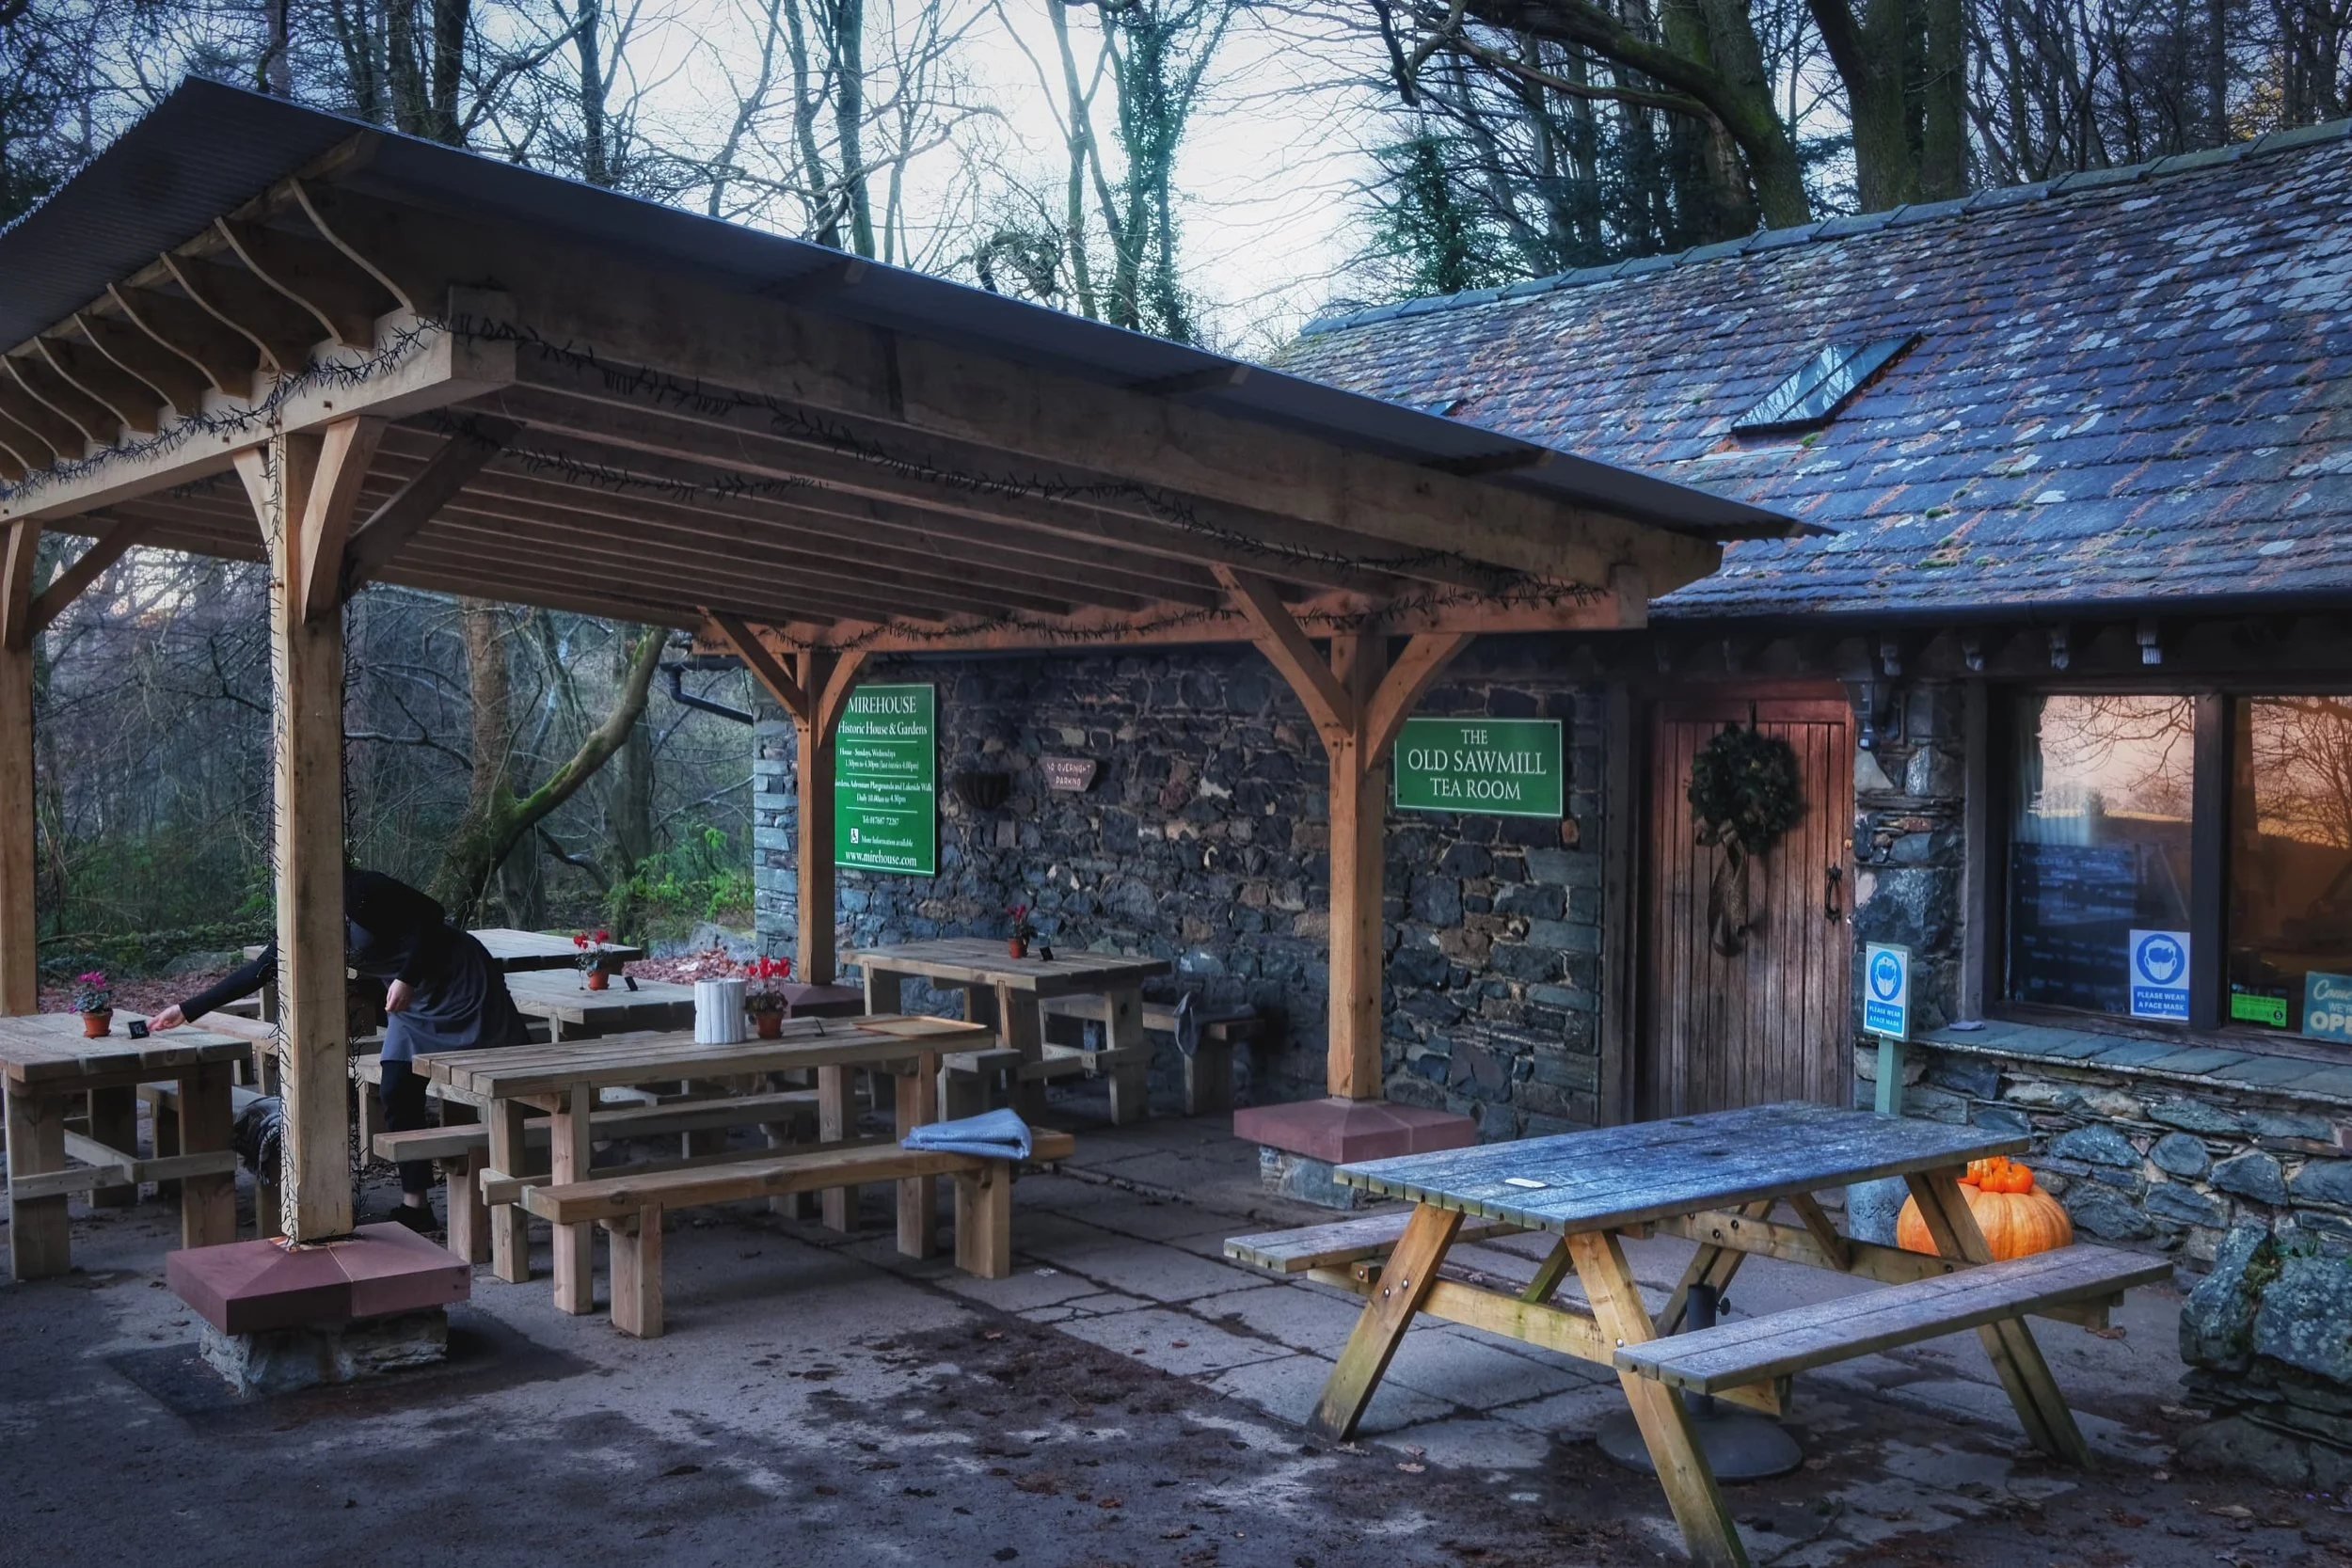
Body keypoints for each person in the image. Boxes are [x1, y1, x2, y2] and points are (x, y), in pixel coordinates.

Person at [151, 869, 529, 1234]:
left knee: (512, 1075)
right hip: (414, 1006)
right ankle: (417, 1206)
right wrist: (186, 1009)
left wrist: (406, 977)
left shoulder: (359, 889)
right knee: (397, 1088)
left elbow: (431, 914)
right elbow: (259, 971)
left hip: (459, 980)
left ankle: (535, 1173)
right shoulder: (301, 916)